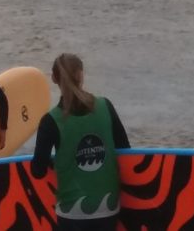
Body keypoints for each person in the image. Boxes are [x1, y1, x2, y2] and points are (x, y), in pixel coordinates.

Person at [32, 54, 129, 231]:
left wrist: (56, 162)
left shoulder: (50, 121)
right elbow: (125, 152)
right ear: (81, 75)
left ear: (54, 78)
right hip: (108, 206)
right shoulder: (105, 106)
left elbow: (37, 170)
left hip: (72, 211)